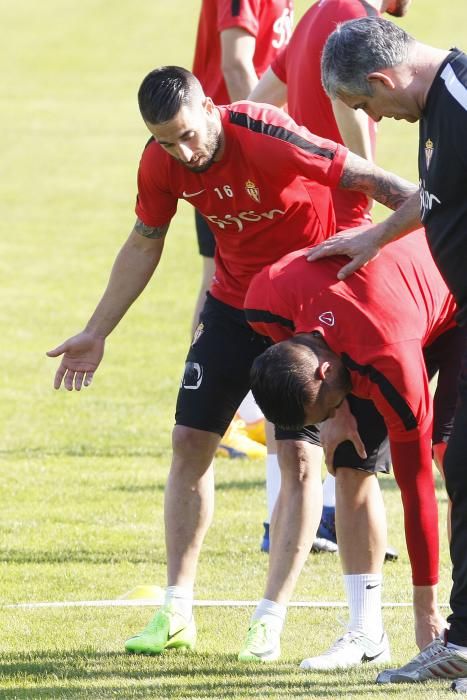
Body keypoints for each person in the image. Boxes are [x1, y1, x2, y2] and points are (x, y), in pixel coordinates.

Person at [46, 65, 418, 661]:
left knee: (297, 456)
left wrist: (417, 232)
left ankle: (269, 619)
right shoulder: (161, 160)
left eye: (188, 135)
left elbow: (377, 180)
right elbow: (145, 240)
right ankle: (175, 611)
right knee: (189, 441)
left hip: (302, 310)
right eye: (167, 140)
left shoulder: (267, 134)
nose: (183, 152)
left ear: (209, 107)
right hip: (232, 304)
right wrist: (97, 330)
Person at [306, 16, 467, 689]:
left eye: (366, 106)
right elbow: (435, 195)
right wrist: (376, 237)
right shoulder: (438, 107)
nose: (375, 118)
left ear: (379, 79)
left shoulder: (458, 101)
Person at [244, 232, 464, 669]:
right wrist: (334, 413)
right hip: (371, 315)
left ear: (325, 370)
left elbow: (415, 485)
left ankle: (457, 624)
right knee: (349, 460)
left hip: (456, 301)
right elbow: (289, 347)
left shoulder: (389, 361)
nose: (324, 422)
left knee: (450, 457)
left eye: (322, 409)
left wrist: (425, 609)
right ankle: (366, 632)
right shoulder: (264, 297)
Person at [249, 0, 410, 565]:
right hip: (344, 229)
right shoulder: (350, 17)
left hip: (298, 224)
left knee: (297, 370)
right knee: (343, 379)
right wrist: (380, 216)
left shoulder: (317, 12)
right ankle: (342, 518)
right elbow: (351, 124)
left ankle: (291, 518)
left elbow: (256, 101)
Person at [191, 1, 294, 464]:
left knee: (244, 281)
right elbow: (235, 58)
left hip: (238, 149)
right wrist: (251, 142)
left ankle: (243, 410)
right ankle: (226, 414)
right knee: (223, 280)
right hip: (221, 151)